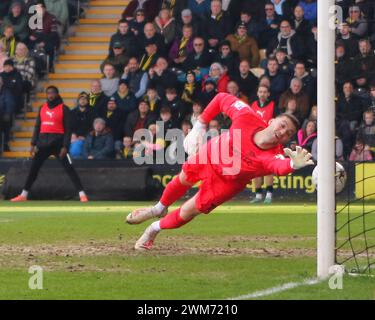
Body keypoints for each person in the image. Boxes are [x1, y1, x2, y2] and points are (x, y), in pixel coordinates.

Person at [126, 92, 314, 250]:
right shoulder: (247, 116)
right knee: (183, 179)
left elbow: (279, 167)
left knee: (189, 210)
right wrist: (200, 124)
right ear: (271, 121)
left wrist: (292, 165)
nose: (282, 132)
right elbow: (221, 98)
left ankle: (153, 229)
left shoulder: (273, 155)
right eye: (282, 125)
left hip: (228, 182)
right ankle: (158, 208)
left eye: (288, 133)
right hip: (213, 154)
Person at [10, 86, 88, 202]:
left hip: (58, 144)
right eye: (48, 93)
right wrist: (33, 144)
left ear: (57, 94)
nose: (50, 95)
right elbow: (37, 126)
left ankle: (82, 194)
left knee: (69, 168)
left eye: (52, 93)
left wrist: (65, 146)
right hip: (42, 144)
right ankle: (23, 195)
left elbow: (68, 129)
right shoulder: (42, 108)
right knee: (33, 169)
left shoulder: (64, 108)